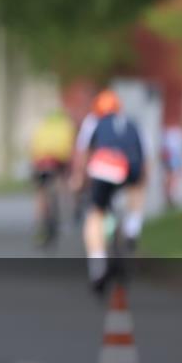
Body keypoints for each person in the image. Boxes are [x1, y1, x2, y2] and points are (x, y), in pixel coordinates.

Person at [70, 89, 146, 293]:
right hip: (130, 166)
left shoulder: (93, 122)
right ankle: (132, 227)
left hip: (104, 167)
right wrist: (139, 182)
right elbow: (144, 159)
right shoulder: (131, 123)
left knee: (95, 214)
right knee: (136, 189)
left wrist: (79, 180)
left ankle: (97, 267)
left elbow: (84, 153)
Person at [28, 109, 75, 247]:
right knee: (61, 185)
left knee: (40, 192)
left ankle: (39, 222)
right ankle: (64, 217)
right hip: (57, 162)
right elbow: (70, 149)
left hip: (40, 162)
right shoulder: (67, 126)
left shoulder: (42, 127)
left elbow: (33, 146)